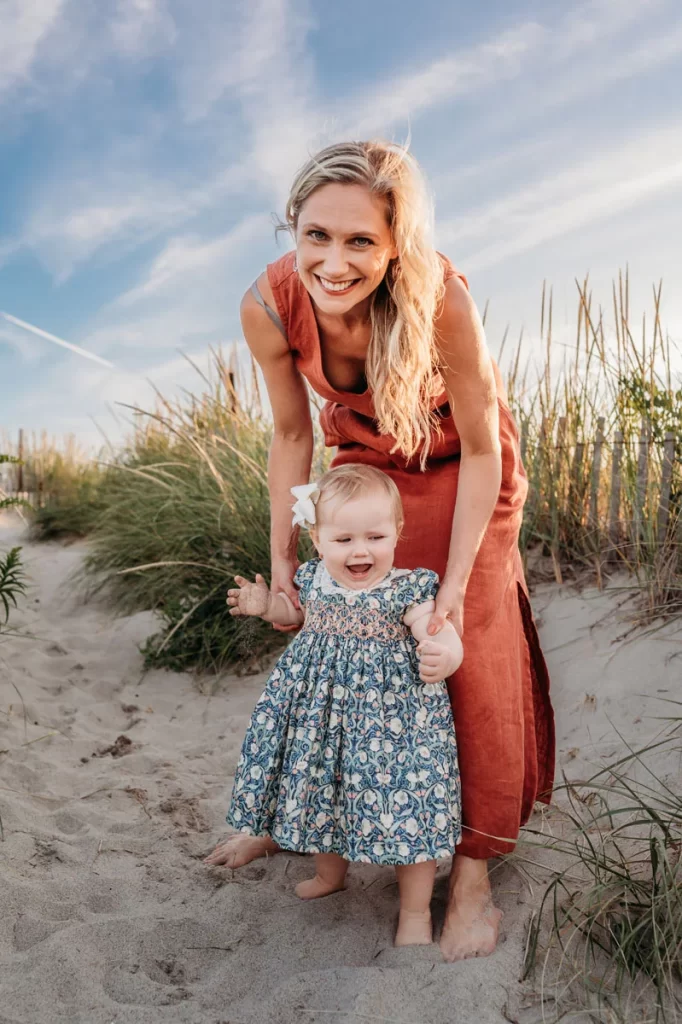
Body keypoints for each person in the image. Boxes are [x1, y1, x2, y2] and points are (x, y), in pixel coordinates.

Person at [205, 140, 555, 961]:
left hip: (464, 469)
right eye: (315, 234)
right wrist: (285, 558)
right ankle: (297, 820)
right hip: (364, 463)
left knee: (456, 650)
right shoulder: (267, 305)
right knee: (334, 637)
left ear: (398, 243)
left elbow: (482, 450)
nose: (334, 260)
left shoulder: (443, 302)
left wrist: (453, 591)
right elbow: (293, 433)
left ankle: (469, 876)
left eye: (361, 240)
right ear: (292, 227)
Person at [212, 464, 463, 947]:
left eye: (375, 536)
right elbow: (295, 613)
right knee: (324, 793)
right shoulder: (314, 579)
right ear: (317, 539)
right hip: (319, 718)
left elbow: (436, 627)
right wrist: (265, 605)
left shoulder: (407, 588)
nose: (361, 550)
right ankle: (331, 875)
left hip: (391, 724)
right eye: (344, 539)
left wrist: (445, 654)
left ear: (397, 534)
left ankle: (414, 912)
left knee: (405, 806)